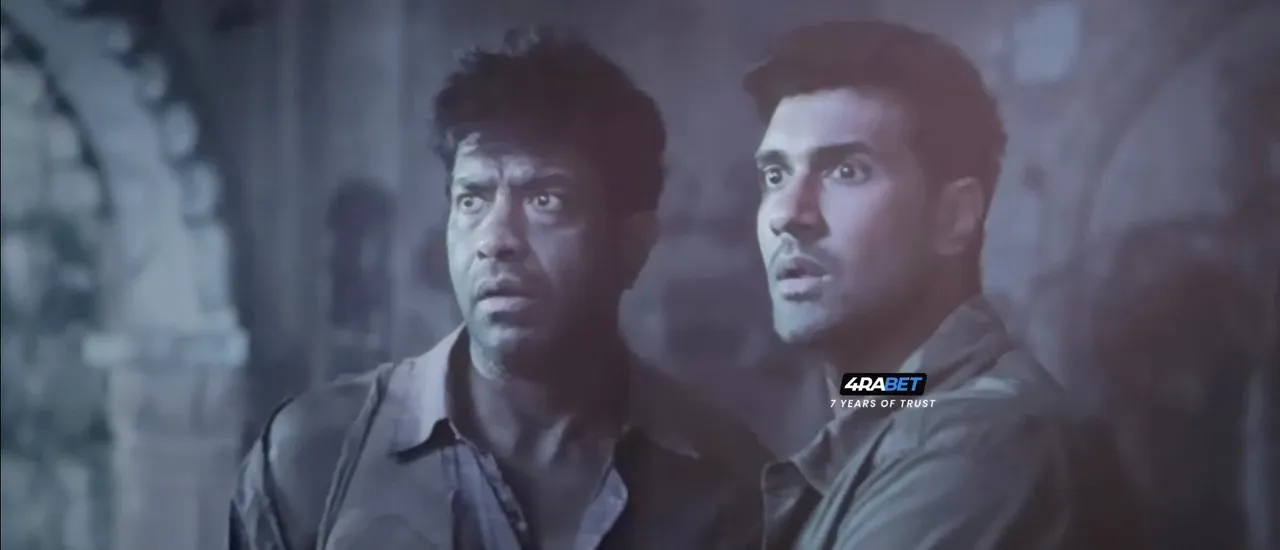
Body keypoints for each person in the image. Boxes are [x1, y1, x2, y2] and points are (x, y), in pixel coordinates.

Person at [229, 26, 767, 550]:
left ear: (633, 244)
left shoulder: (735, 484)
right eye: (473, 200)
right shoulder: (311, 460)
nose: (496, 240)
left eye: (545, 200)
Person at [741, 20, 1139, 549]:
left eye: (846, 171)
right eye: (775, 175)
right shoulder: (891, 397)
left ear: (954, 217)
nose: (788, 215)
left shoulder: (981, 441)